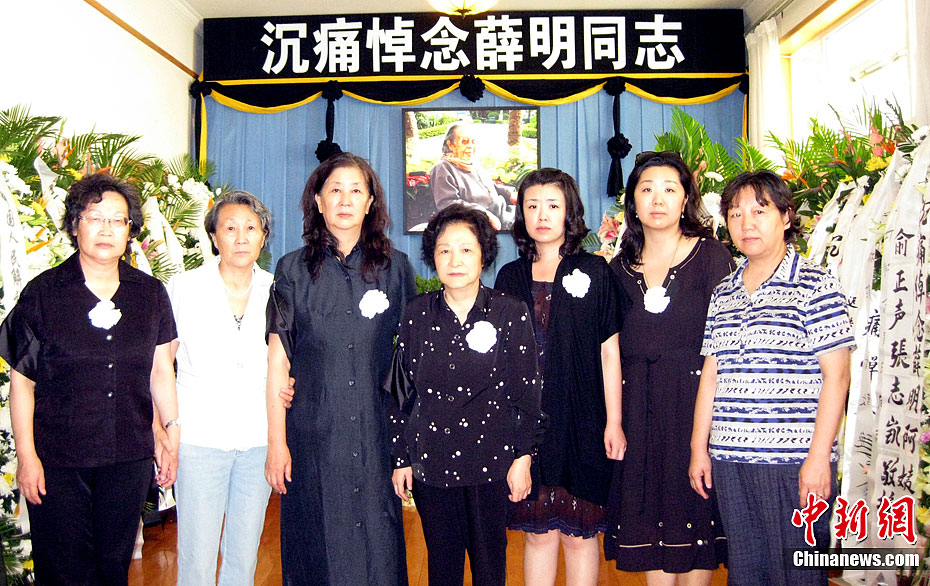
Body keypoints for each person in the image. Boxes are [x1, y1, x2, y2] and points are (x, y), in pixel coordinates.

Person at [0, 173, 179, 585]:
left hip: (127, 456)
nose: (106, 228)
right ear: (75, 224)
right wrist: (27, 456)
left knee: (113, 568)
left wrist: (169, 430)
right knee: (63, 570)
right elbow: (22, 382)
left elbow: (159, 371)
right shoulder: (43, 293)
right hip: (59, 460)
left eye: (118, 220)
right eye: (95, 217)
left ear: (131, 230)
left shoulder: (150, 294)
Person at [689, 170, 853, 586]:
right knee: (746, 572)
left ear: (786, 216)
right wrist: (699, 448)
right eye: (735, 213)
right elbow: (712, 374)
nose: (746, 223)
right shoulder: (724, 291)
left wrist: (819, 458)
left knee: (800, 572)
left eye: (759, 211)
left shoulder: (815, 284)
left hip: (794, 461)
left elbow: (837, 377)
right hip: (731, 458)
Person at [264, 152, 416, 586]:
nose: (345, 200)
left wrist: (405, 449)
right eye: (335, 190)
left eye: (356, 190)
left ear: (370, 202)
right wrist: (277, 443)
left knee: (379, 547)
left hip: (377, 433)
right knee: (317, 546)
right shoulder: (292, 269)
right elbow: (278, 358)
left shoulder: (395, 268)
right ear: (318, 200)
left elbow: (409, 361)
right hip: (314, 433)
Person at [387, 204, 547, 586]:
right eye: (444, 250)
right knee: (442, 570)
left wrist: (523, 456)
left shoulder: (509, 312)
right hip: (432, 466)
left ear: (483, 256)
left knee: (490, 571)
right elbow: (399, 390)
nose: (454, 260)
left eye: (465, 249)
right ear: (433, 258)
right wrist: (400, 458)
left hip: (492, 465)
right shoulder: (416, 314)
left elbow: (527, 393)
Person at [604, 151, 732, 585]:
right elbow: (610, 348)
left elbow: (724, 346)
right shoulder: (618, 268)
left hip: (696, 407)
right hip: (639, 411)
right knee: (649, 521)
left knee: (694, 514)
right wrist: (614, 421)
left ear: (685, 200)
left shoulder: (712, 256)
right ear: (633, 202)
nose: (657, 199)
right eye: (646, 189)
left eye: (669, 189)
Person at [494, 168, 625, 586]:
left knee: (579, 535)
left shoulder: (595, 270)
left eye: (552, 205)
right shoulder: (509, 276)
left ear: (569, 212)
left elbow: (609, 352)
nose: (542, 215)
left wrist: (614, 422)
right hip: (526, 423)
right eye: (532, 206)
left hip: (582, 419)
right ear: (521, 214)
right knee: (537, 534)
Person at [167, 191, 274, 585]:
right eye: (230, 228)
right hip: (199, 439)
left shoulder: (278, 289)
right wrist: (166, 427)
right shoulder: (184, 287)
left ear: (263, 237)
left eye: (251, 228)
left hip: (258, 439)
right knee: (197, 556)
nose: (241, 238)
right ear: (214, 236)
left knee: (244, 555)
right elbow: (161, 363)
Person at [430, 121, 516, 230]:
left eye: (473, 142)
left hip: (505, 212)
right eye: (464, 142)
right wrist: (483, 214)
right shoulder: (443, 168)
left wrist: (510, 194)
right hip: (483, 223)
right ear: (450, 145)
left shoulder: (472, 164)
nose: (470, 146)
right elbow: (447, 204)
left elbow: (491, 187)